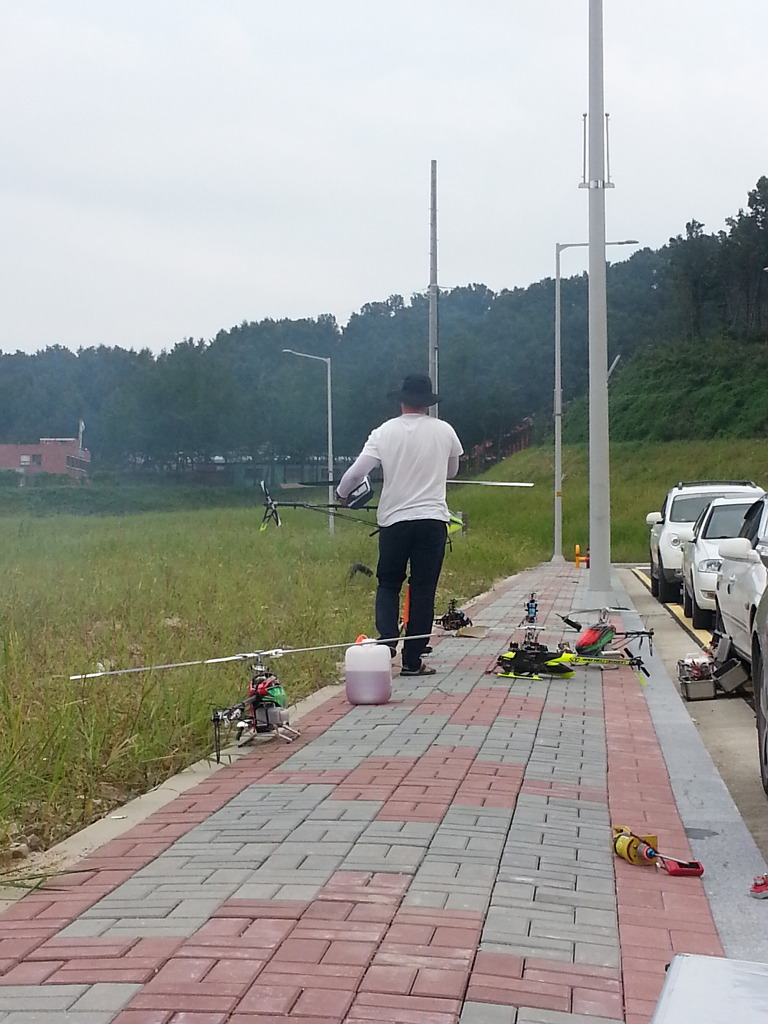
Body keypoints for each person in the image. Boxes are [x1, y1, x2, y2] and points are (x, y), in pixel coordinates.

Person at [336, 373, 463, 676]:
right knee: (423, 589)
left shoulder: (384, 432)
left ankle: (386, 644)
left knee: (389, 583)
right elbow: (452, 472)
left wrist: (342, 494)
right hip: (432, 520)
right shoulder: (445, 431)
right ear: (428, 403)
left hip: (394, 521)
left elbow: (356, 474)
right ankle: (413, 660)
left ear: (401, 401)